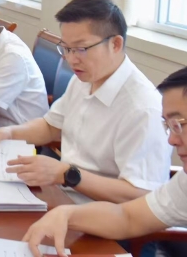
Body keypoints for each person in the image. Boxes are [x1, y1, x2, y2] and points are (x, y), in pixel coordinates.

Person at [0, 0, 170, 204]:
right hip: (62, 194)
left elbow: (141, 194)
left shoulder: (142, 109)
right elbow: (51, 126)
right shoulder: (83, 80)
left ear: (116, 44)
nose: (71, 59)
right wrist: (11, 132)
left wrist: (66, 174)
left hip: (102, 214)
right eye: (66, 48)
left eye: (81, 49)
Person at [22, 66, 187, 257]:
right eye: (169, 126)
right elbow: (128, 217)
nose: (171, 140)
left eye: (178, 125)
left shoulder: (141, 104)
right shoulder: (183, 183)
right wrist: (67, 215)